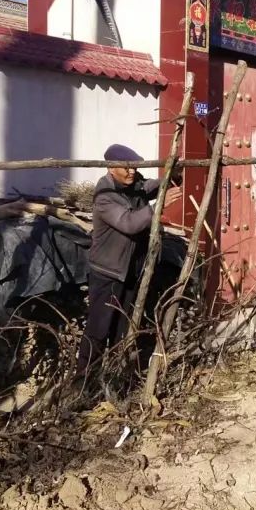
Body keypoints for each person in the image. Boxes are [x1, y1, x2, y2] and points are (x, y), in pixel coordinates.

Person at [79, 143, 181, 370]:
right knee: (98, 330)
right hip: (108, 272)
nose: (131, 172)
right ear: (111, 167)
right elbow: (129, 223)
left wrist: (174, 175)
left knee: (121, 331)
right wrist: (157, 207)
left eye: (134, 167)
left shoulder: (133, 183)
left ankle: (114, 378)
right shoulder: (105, 195)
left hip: (130, 270)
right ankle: (83, 382)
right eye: (126, 168)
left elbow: (151, 187)